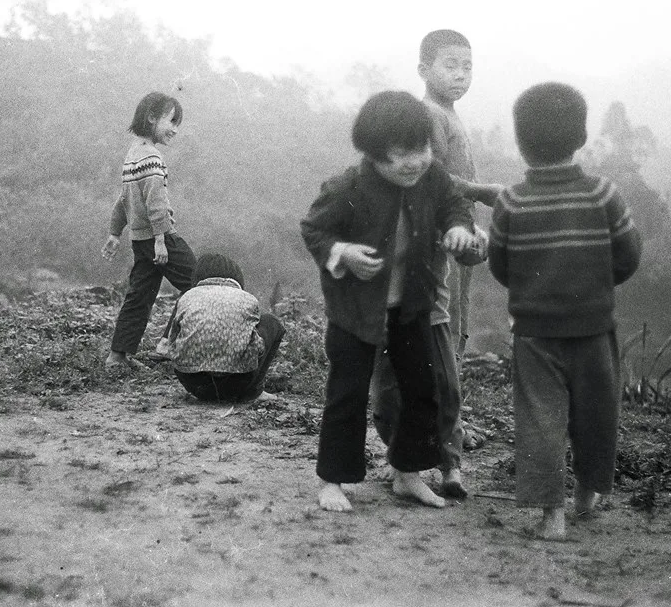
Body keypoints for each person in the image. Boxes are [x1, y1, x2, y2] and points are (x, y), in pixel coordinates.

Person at [301, 90, 476, 512]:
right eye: (401, 154)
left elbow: (455, 206)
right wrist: (341, 252)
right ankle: (332, 480)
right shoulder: (349, 185)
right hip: (356, 311)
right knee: (348, 393)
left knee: (422, 389)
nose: (415, 162)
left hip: (412, 305)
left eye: (423, 149)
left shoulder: (432, 179)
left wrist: (458, 229)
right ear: (374, 155)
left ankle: (407, 473)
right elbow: (314, 230)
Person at [488, 82, 642, 540]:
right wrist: (593, 283)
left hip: (535, 333)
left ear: (520, 142)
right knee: (596, 412)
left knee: (540, 418)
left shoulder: (510, 200)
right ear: (581, 136)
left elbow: (501, 265)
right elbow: (628, 256)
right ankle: (586, 495)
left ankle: (550, 517)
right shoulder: (602, 194)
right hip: (594, 327)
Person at [370, 29, 487, 500]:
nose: (460, 74)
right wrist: (488, 195)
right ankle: (418, 455)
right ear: (423, 70)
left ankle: (447, 455)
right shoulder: (427, 118)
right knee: (428, 352)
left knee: (449, 345)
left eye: (467, 66)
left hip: (454, 248)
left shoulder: (450, 116)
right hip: (429, 254)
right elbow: (433, 178)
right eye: (449, 65)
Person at [101, 92, 196, 372]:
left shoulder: (132, 155)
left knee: (138, 296)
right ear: (152, 117)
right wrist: (161, 241)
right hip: (160, 239)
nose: (175, 129)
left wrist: (114, 233)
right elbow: (156, 204)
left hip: (140, 242)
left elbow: (124, 200)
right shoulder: (152, 158)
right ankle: (168, 345)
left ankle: (117, 357)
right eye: (172, 121)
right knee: (200, 284)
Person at [165, 253, 286, 404]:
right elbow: (258, 345)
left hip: (194, 384)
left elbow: (171, 343)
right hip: (238, 384)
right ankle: (255, 391)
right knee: (270, 321)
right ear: (237, 277)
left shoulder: (187, 297)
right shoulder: (247, 299)